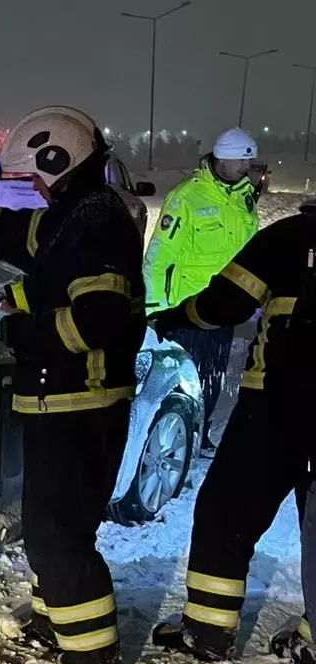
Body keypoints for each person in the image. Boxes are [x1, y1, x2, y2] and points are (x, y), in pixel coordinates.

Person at [0, 105, 146, 664]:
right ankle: (61, 625)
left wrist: (20, 331)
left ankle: (92, 658)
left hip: (79, 402)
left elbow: (97, 319)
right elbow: (19, 238)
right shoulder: (78, 214)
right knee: (63, 526)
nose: (34, 190)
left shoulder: (92, 223)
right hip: (77, 401)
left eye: (36, 178)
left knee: (54, 533)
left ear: (60, 160)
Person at [149, 200, 316, 662]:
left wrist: (175, 316)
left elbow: (225, 303)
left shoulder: (292, 235)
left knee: (226, 513)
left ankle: (207, 631)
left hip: (277, 402)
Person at [143, 128, 260, 455]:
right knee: (180, 381)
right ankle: (168, 441)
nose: (246, 168)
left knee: (213, 375)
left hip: (223, 307)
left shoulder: (244, 198)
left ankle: (199, 434)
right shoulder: (187, 197)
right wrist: (154, 309)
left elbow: (248, 253)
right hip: (186, 309)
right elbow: (157, 256)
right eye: (242, 161)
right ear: (224, 158)